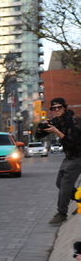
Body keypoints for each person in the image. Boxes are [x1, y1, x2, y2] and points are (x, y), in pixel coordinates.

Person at [35, 97, 81, 226]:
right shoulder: (55, 122)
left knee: (66, 184)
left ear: (64, 108)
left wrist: (57, 132)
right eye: (54, 108)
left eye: (59, 107)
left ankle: (61, 213)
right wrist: (41, 128)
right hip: (69, 157)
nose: (56, 110)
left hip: (78, 156)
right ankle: (79, 198)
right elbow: (38, 136)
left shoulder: (73, 121)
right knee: (59, 183)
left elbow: (71, 141)